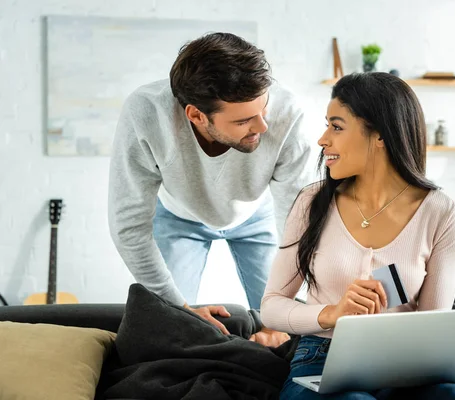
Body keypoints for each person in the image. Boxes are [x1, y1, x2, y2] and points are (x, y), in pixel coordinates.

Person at [260, 72, 455, 399]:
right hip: (321, 356)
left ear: (379, 135)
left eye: (336, 126)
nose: (322, 140)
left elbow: (433, 324)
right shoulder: (311, 202)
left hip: (402, 363)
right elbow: (272, 306)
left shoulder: (440, 212)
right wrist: (331, 313)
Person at [108, 32, 313, 344]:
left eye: (263, 108)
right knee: (168, 326)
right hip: (178, 217)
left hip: (256, 215)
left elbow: (299, 225)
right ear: (196, 115)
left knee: (286, 326)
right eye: (244, 120)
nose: (263, 127)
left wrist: (276, 322)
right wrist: (180, 309)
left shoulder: (288, 113)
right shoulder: (146, 113)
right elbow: (128, 225)